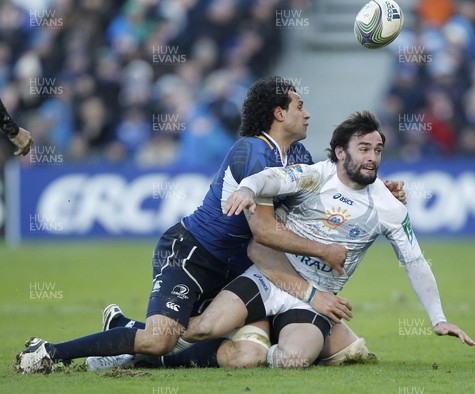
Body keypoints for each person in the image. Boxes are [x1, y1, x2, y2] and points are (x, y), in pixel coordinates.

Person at [16, 77, 404, 373]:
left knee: (247, 354)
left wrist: (378, 191)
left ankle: (123, 332)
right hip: (194, 254)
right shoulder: (251, 151)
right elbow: (265, 233)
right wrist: (325, 252)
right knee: (160, 339)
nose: (308, 114)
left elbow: (333, 184)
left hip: (238, 268)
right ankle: (49, 351)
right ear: (278, 113)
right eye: (300, 106)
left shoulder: (297, 154)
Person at [173, 111, 475, 368]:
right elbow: (271, 177)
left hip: (317, 301)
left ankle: (257, 343)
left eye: (378, 150)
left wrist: (438, 318)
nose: (372, 157)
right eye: (364, 148)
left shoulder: (389, 207)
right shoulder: (316, 176)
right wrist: (248, 188)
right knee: (203, 328)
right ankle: (143, 352)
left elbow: (414, 260)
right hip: (271, 278)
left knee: (294, 361)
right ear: (341, 152)